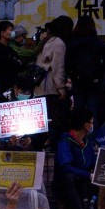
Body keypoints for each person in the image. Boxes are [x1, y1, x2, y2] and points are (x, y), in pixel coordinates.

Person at [54, 106, 99, 209]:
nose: (92, 125)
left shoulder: (88, 142)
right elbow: (66, 167)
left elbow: (91, 162)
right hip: (66, 186)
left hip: (84, 183)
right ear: (86, 125)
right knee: (68, 178)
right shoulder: (65, 141)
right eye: (91, 122)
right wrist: (87, 175)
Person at [66, 15, 105, 125]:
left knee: (78, 111)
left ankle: (77, 139)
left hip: (78, 82)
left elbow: (67, 64)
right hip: (95, 83)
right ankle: (92, 139)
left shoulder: (72, 44)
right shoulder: (98, 43)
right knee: (93, 112)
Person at [33, 19, 69, 151]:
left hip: (39, 88)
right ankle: (50, 149)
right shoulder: (59, 43)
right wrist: (61, 88)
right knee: (55, 122)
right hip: (51, 88)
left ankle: (39, 148)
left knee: (42, 123)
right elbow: (58, 67)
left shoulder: (46, 41)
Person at [0, 20, 23, 96]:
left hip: (12, 86)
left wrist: (16, 63)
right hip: (2, 89)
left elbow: (21, 64)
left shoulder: (10, 48)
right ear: (2, 33)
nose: (13, 33)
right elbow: (7, 67)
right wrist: (15, 63)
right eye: (10, 30)